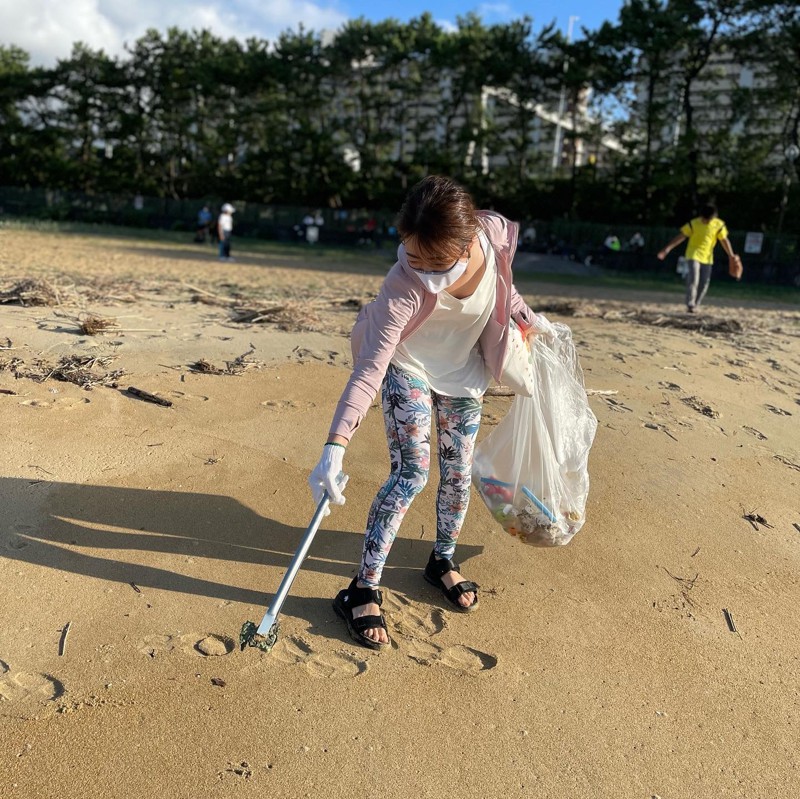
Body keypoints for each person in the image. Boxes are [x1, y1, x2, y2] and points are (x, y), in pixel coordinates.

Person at [308, 175, 537, 650]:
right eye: (411, 255)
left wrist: (533, 322)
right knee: (412, 472)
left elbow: (503, 290)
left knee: (457, 473)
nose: (419, 269)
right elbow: (370, 369)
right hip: (406, 364)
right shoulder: (403, 284)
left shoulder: (491, 238)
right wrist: (335, 447)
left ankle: (442, 561)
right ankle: (362, 590)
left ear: (466, 240)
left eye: (433, 262)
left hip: (464, 372)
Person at [657, 203, 739, 313]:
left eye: (709, 220)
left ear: (714, 218)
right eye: (704, 219)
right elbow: (681, 237)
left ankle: (696, 303)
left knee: (704, 282)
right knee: (694, 278)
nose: (706, 222)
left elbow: (724, 240)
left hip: (707, 258)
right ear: (701, 216)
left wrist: (731, 255)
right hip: (693, 254)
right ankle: (690, 304)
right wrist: (667, 249)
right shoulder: (694, 224)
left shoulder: (718, 225)